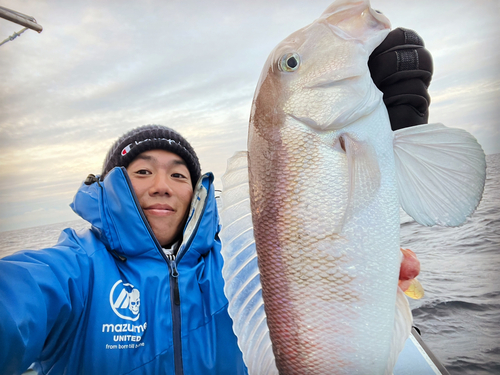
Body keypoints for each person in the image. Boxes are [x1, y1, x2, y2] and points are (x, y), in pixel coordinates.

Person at [0, 28, 431, 375]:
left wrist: (380, 151)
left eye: (178, 173)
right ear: (114, 186)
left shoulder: (240, 264)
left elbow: (314, 236)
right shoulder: (75, 271)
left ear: (196, 190)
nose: (162, 185)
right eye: (142, 171)